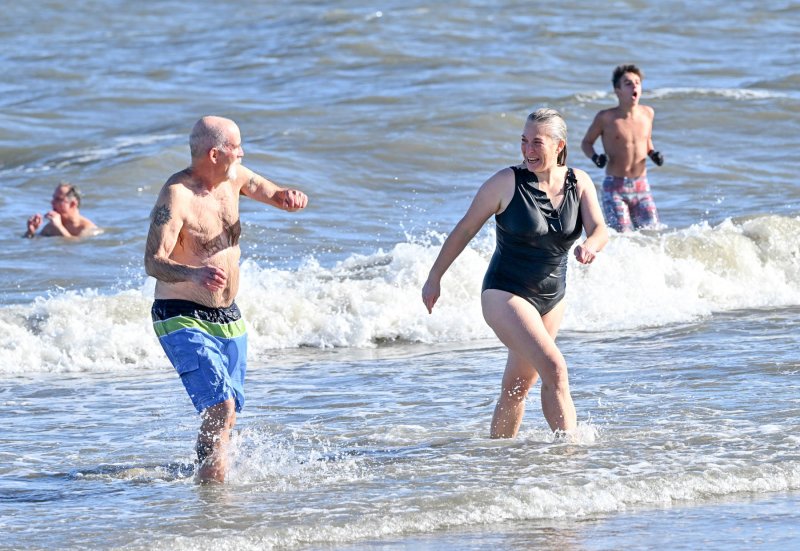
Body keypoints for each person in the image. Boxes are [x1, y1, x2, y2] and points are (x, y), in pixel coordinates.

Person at [422, 108, 608, 438]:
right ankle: (571, 457)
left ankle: (500, 461)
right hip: (505, 293)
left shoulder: (579, 182)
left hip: (552, 297)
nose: (528, 150)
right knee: (555, 368)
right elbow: (465, 229)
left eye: (537, 143)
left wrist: (591, 245)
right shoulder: (506, 182)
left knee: (517, 387)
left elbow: (599, 229)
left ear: (559, 145)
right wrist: (435, 276)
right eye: (524, 141)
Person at [144, 115, 308, 483]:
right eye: (236, 146)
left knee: (227, 413)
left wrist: (288, 197)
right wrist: (192, 273)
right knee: (220, 406)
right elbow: (152, 262)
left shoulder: (234, 176)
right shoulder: (177, 196)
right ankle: (212, 495)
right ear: (215, 153)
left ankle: (210, 483)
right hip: (180, 314)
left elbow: (271, 192)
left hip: (228, 317)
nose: (243, 152)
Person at [581, 64, 664, 232]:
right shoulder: (606, 117)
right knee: (623, 236)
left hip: (642, 185)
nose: (634, 86)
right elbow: (586, 143)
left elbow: (646, 139)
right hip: (615, 188)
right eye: (628, 83)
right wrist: (595, 157)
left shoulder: (648, 113)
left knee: (652, 233)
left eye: (637, 82)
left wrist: (652, 152)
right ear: (617, 90)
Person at [24, 182, 97, 238]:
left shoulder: (88, 229)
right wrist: (31, 231)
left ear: (73, 204)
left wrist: (59, 227)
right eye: (53, 199)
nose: (52, 202)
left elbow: (75, 246)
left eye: (58, 199)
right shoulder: (51, 227)